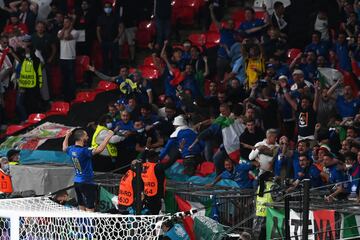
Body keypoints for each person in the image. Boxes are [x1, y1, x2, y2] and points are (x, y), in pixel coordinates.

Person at [62, 128, 114, 212]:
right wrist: (108, 136)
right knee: (90, 209)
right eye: (86, 135)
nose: (88, 137)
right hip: (87, 183)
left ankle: (81, 225)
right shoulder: (84, 151)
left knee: (81, 208)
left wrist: (67, 136)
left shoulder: (71, 149)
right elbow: (100, 149)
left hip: (77, 182)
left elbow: (64, 148)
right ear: (82, 138)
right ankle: (89, 225)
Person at [57, 16, 79, 101]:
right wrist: (64, 28)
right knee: (64, 77)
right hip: (62, 57)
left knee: (71, 77)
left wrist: (70, 27)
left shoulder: (75, 32)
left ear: (70, 23)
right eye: (64, 22)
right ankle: (65, 94)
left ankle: (72, 95)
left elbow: (66, 37)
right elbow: (59, 36)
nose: (65, 23)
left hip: (71, 57)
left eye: (67, 22)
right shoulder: (60, 31)